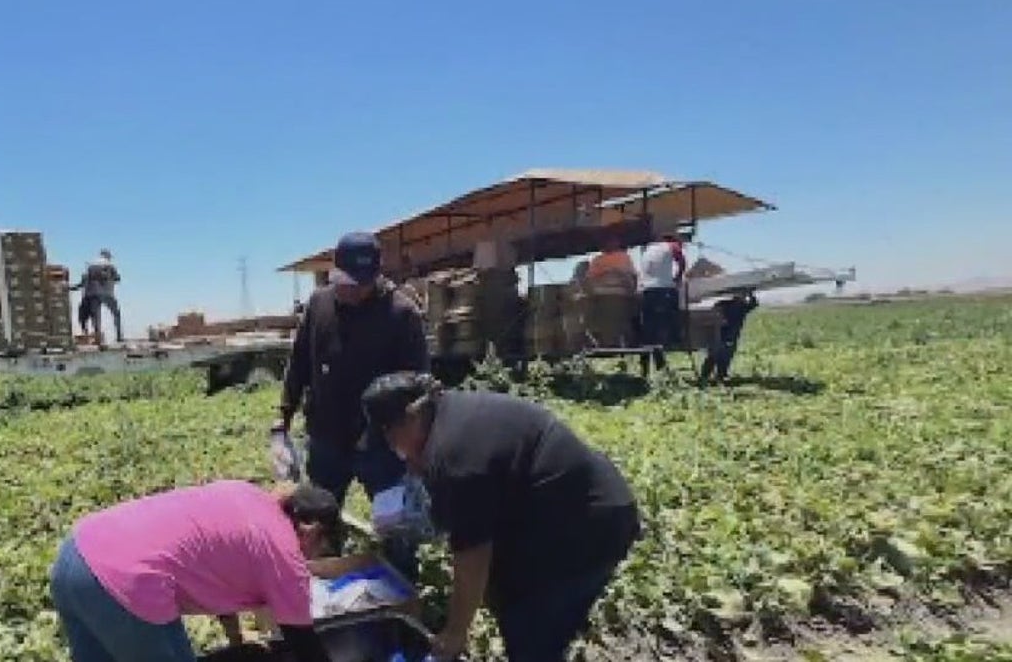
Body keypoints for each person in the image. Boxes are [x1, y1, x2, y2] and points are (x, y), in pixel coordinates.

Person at [361, 372, 642, 662]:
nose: (394, 450)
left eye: (390, 438)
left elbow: (472, 555)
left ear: (412, 417)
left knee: (530, 629)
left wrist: (456, 632)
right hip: (557, 513)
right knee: (508, 597)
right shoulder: (446, 415)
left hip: (589, 523)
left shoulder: (455, 457)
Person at [48, 480, 345, 662]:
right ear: (312, 532)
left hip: (74, 554)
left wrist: (236, 639)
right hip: (125, 584)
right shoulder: (284, 551)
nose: (312, 557)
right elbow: (305, 646)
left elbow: (218, 568)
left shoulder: (247, 495)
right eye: (321, 549)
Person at [277, 232, 430, 583]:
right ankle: (323, 589)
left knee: (397, 531)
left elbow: (417, 387)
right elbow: (299, 362)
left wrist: (400, 441)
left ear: (377, 275)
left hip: (381, 448)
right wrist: (282, 415)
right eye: (345, 282)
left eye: (362, 283)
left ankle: (404, 596)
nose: (352, 291)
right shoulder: (319, 305)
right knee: (319, 523)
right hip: (327, 439)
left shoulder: (402, 314)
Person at [636, 233, 687, 376]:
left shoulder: (647, 250)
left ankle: (645, 369)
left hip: (647, 292)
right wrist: (677, 278)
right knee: (673, 315)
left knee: (648, 332)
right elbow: (682, 262)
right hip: (663, 290)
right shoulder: (672, 246)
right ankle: (676, 336)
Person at [700, 290, 759, 384]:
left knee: (713, 356)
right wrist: (750, 294)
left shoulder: (723, 304)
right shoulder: (742, 307)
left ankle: (705, 376)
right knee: (725, 356)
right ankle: (720, 376)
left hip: (717, 336)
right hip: (729, 337)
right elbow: (754, 303)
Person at [70, 249, 123, 346]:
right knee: (116, 314)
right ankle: (119, 336)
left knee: (96, 317)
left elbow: (85, 282)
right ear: (108, 257)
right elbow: (117, 279)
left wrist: (70, 288)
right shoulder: (110, 266)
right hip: (107, 293)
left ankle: (97, 337)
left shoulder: (91, 267)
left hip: (93, 294)